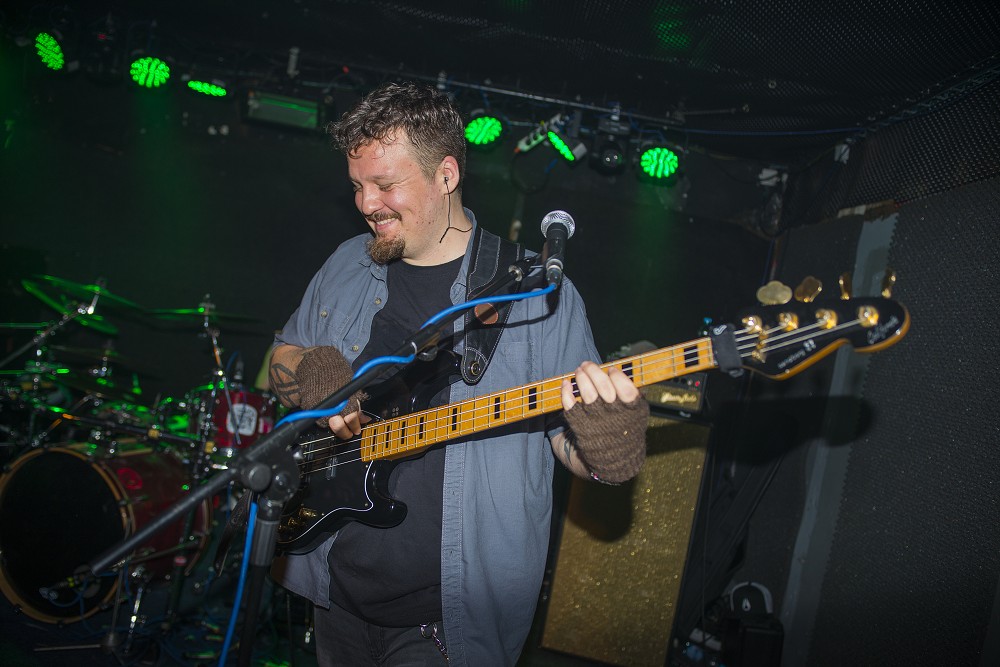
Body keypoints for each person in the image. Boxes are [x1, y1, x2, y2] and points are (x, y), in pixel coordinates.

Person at [268, 81, 649, 666]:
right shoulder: (347, 263)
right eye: (357, 186)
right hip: (333, 587)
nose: (367, 203)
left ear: (445, 175)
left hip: (446, 622)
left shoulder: (537, 294)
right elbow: (282, 354)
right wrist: (310, 372)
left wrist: (609, 448)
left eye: (385, 185)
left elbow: (569, 445)